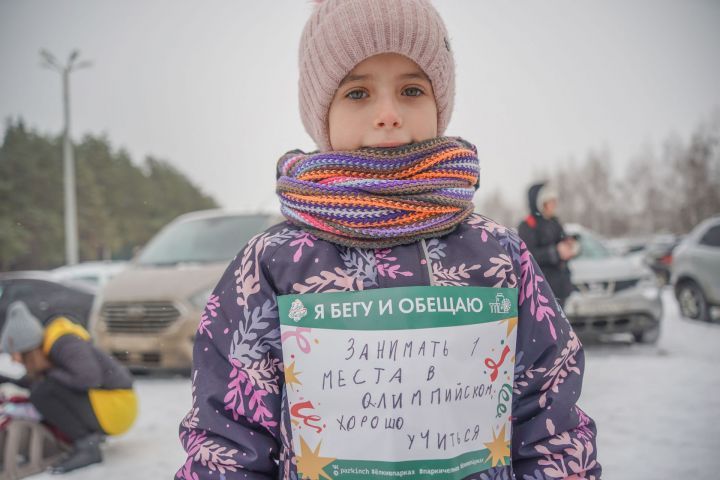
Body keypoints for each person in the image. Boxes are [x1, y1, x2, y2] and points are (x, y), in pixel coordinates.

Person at [177, 1, 600, 479]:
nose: (388, 114)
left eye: (412, 89)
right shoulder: (273, 264)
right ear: (322, 115)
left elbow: (549, 416)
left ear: (440, 104)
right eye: (357, 93)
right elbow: (228, 438)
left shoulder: (498, 256)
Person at [0, 301, 137, 474]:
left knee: (42, 392)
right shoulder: (49, 349)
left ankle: (87, 446)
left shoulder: (65, 344)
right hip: (110, 405)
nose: (14, 360)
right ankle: (82, 442)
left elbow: (89, 378)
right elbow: (42, 379)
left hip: (118, 406)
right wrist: (7, 379)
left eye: (14, 354)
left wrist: (49, 373)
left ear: (27, 348)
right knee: (42, 388)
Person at [518, 182, 579, 309]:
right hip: (541, 289)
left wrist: (570, 245)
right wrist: (555, 252)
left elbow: (561, 242)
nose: (554, 204)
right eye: (551, 201)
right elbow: (526, 255)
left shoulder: (554, 222)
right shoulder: (528, 225)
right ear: (541, 203)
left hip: (561, 288)